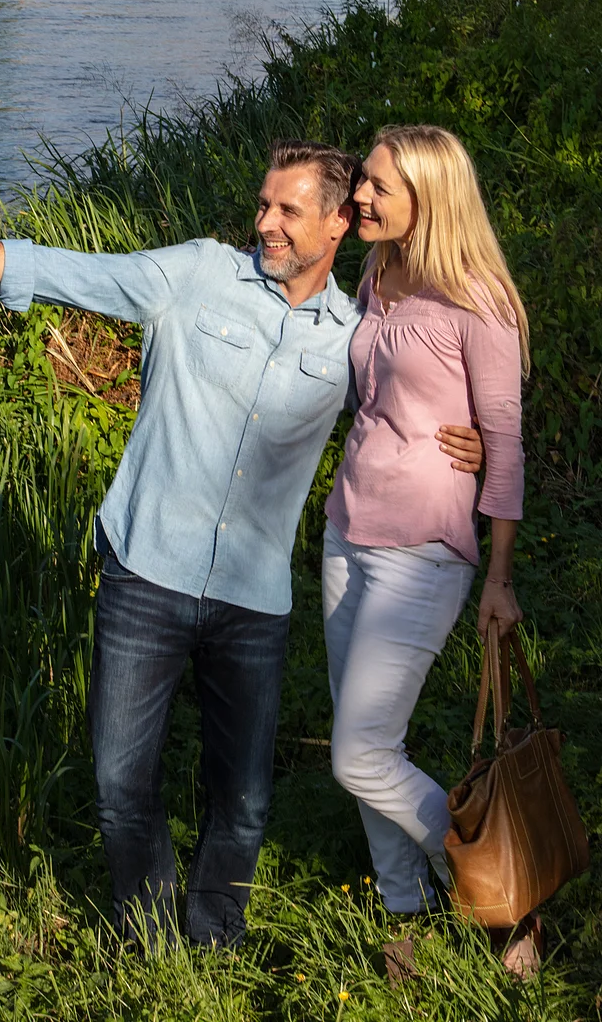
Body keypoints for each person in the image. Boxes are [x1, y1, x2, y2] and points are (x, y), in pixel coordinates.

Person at [0, 142, 482, 951]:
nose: (263, 222)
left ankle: (215, 939)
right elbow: (76, 273)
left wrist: (473, 444)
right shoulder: (196, 272)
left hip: (253, 597)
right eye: (263, 204)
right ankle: (148, 941)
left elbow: (407, 413)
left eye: (286, 211)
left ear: (339, 222)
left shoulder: (354, 336)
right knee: (119, 783)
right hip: (145, 570)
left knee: (244, 802)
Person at [321, 125, 531, 971]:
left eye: (376, 187)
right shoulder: (379, 271)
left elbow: (506, 444)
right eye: (362, 181)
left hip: (426, 548)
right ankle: (403, 914)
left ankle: (505, 887)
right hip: (345, 532)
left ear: (428, 199)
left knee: (359, 754)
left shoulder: (478, 301)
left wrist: (502, 578)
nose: (359, 197)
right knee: (369, 745)